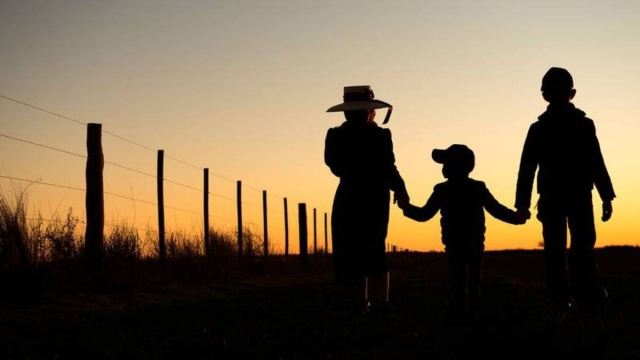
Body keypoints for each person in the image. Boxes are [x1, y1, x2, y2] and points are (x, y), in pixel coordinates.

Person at [514, 67, 616, 314]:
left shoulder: (545, 128)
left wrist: (523, 204)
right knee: (574, 248)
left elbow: (527, 168)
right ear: (572, 92)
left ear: (544, 94)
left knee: (562, 249)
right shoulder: (575, 126)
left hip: (565, 197)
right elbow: (595, 161)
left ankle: (570, 297)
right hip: (570, 197)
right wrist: (606, 195)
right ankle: (575, 296)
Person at [397, 144, 525, 318]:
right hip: (472, 241)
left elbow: (424, 214)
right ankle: (471, 310)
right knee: (472, 278)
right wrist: (516, 218)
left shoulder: (442, 190)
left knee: (459, 277)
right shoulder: (476, 188)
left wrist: (406, 208)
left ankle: (460, 311)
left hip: (455, 241)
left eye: (446, 164)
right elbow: (496, 210)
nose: (443, 168)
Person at [324, 85, 409, 315]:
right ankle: (373, 302)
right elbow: (386, 167)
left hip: (355, 196)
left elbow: (337, 166)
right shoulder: (376, 136)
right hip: (371, 196)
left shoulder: (340, 136)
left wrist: (399, 187)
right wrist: (399, 188)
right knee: (368, 247)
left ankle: (369, 302)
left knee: (362, 247)